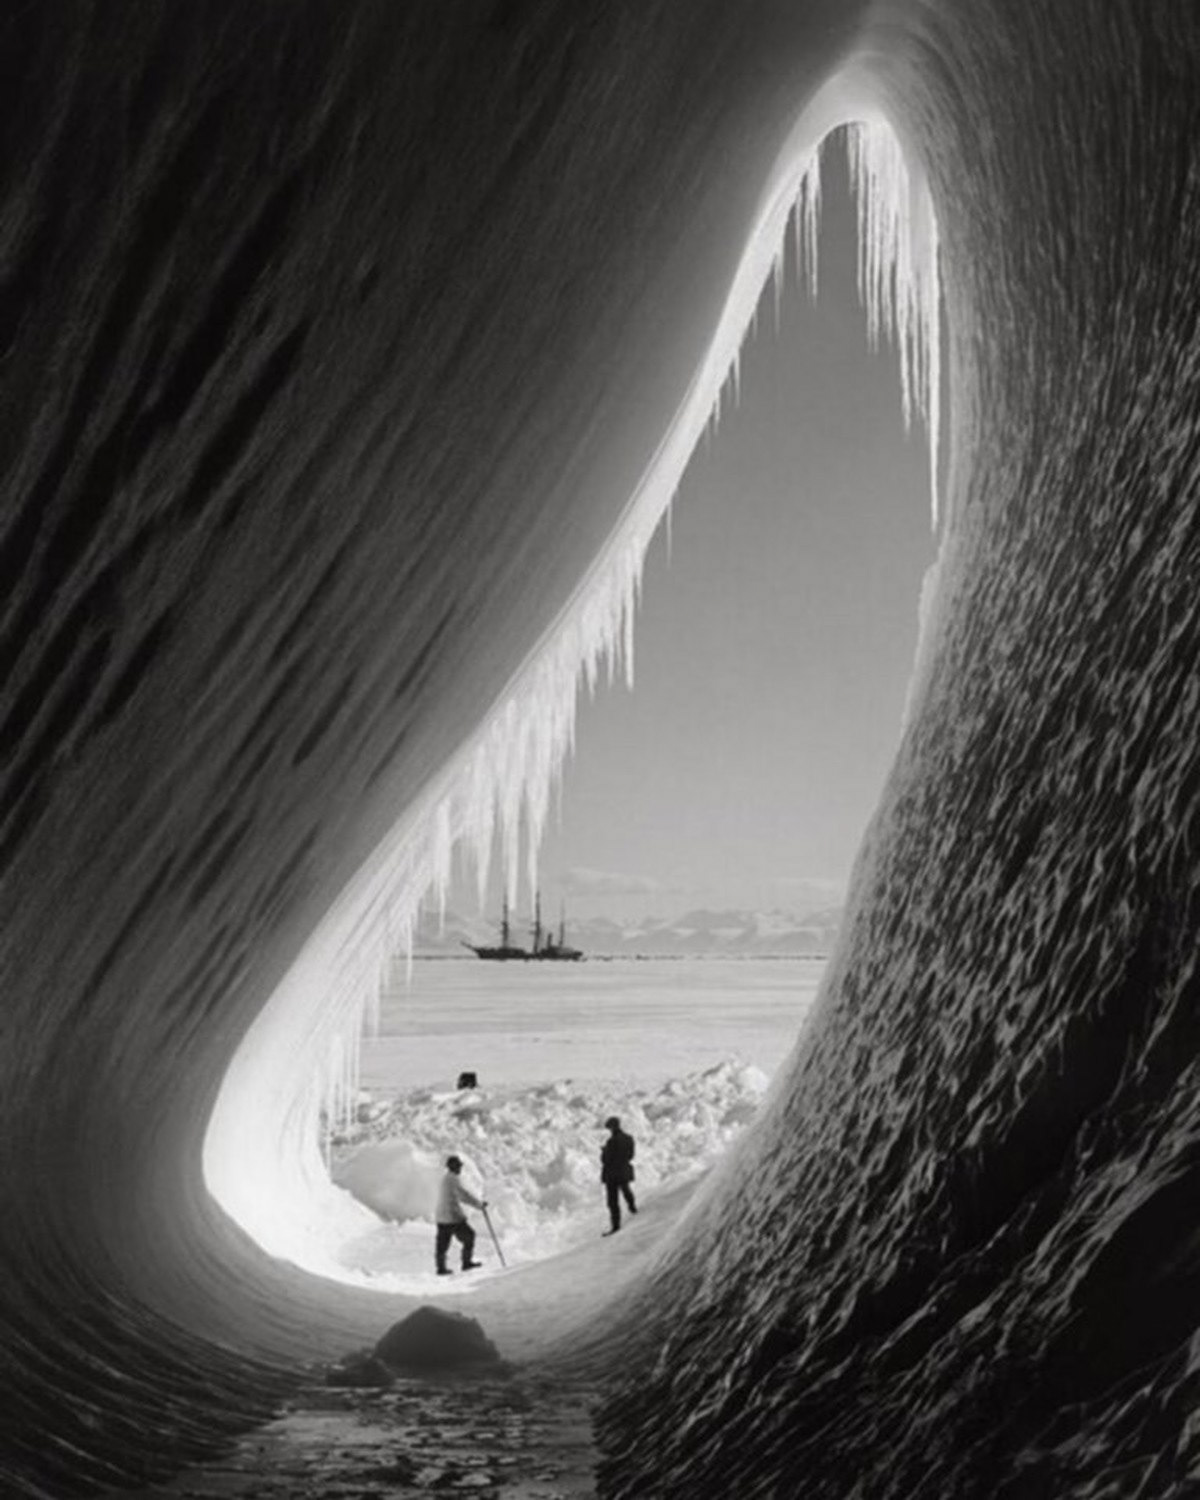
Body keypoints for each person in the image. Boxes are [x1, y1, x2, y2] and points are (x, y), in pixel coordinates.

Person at [435, 1155, 486, 1274]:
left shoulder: (445, 1179)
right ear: (454, 1167)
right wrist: (479, 1205)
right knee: (470, 1236)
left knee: (442, 1245)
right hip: (453, 1217)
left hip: (441, 1217)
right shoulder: (454, 1179)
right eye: (459, 1166)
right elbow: (464, 1195)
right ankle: (466, 1263)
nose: (460, 1168)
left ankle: (441, 1268)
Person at [600, 1116, 637, 1235]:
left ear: (612, 1127)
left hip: (612, 1174)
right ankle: (632, 1207)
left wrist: (604, 1151)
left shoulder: (611, 1141)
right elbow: (631, 1156)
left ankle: (615, 1226)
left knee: (612, 1201)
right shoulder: (629, 1138)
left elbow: (606, 1159)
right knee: (626, 1189)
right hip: (624, 1171)